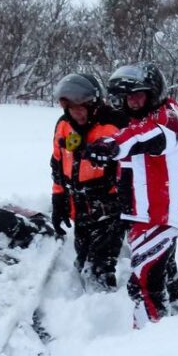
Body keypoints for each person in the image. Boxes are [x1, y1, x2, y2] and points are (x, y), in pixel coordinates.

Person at [86, 62, 178, 326]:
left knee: (143, 282)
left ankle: (152, 344)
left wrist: (111, 145)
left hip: (159, 214)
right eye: (126, 97)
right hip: (144, 212)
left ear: (153, 92)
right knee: (164, 271)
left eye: (138, 95)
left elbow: (140, 138)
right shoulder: (142, 117)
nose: (132, 102)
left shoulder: (167, 118)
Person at [50, 72, 124, 290]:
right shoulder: (63, 125)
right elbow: (57, 163)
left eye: (81, 108)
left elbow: (133, 167)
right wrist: (58, 199)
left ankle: (105, 313)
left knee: (100, 267)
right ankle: (81, 305)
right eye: (72, 109)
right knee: (82, 261)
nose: (77, 114)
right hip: (79, 207)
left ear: (93, 104)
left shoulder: (114, 124)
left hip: (110, 208)